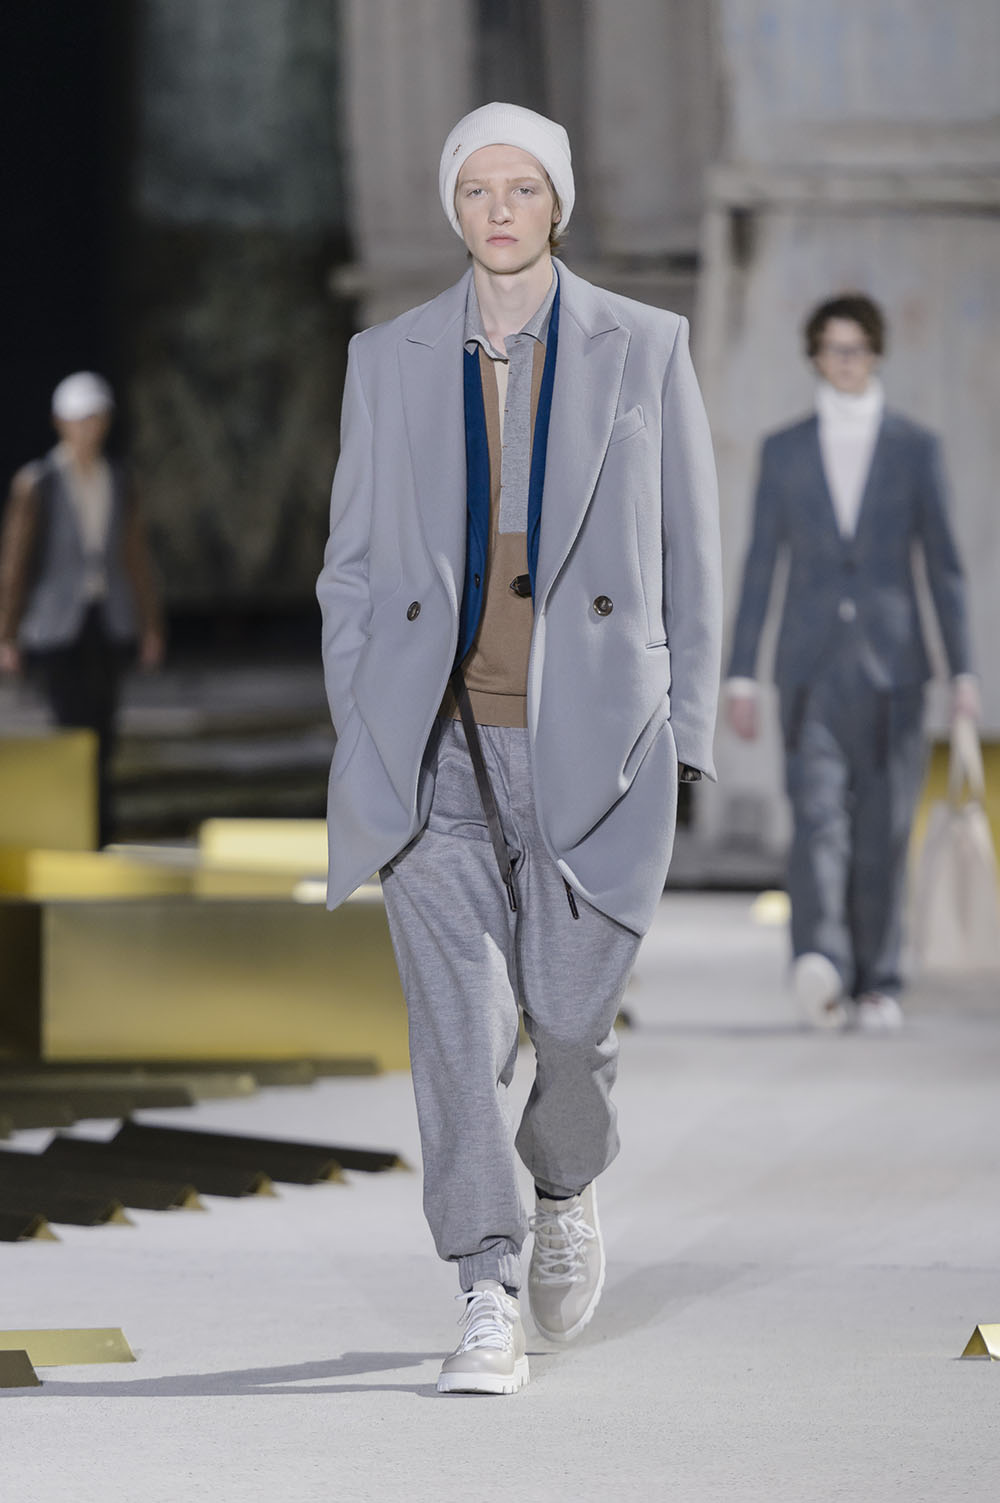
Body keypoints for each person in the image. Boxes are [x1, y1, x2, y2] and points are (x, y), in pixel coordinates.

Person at [317, 102, 722, 1395]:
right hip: (433, 739)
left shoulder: (644, 345)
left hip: (595, 743)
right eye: (477, 189)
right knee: (452, 1027)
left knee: (569, 1021)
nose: (499, 209)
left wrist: (688, 734)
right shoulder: (387, 356)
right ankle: (484, 1282)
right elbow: (352, 563)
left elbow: (691, 553)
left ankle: (563, 1182)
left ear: (558, 203)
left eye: (523, 187)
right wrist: (363, 717)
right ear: (454, 206)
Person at [726, 294, 978, 1032]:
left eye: (858, 348)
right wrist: (741, 673)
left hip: (895, 669)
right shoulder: (784, 450)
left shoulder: (914, 448)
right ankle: (824, 967)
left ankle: (879, 982)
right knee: (815, 823)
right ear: (815, 355)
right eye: (834, 349)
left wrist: (964, 672)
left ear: (875, 353)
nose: (846, 361)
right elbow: (760, 563)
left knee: (883, 830)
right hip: (807, 667)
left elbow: (945, 569)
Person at [0, 372, 164, 846]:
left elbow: (135, 555)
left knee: (104, 728)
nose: (88, 429)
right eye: (79, 419)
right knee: (68, 727)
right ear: (60, 423)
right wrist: (8, 633)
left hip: (107, 617)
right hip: (56, 623)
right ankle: (72, 829)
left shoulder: (120, 479)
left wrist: (149, 624)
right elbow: (17, 561)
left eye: (95, 419)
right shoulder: (39, 482)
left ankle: (100, 829)